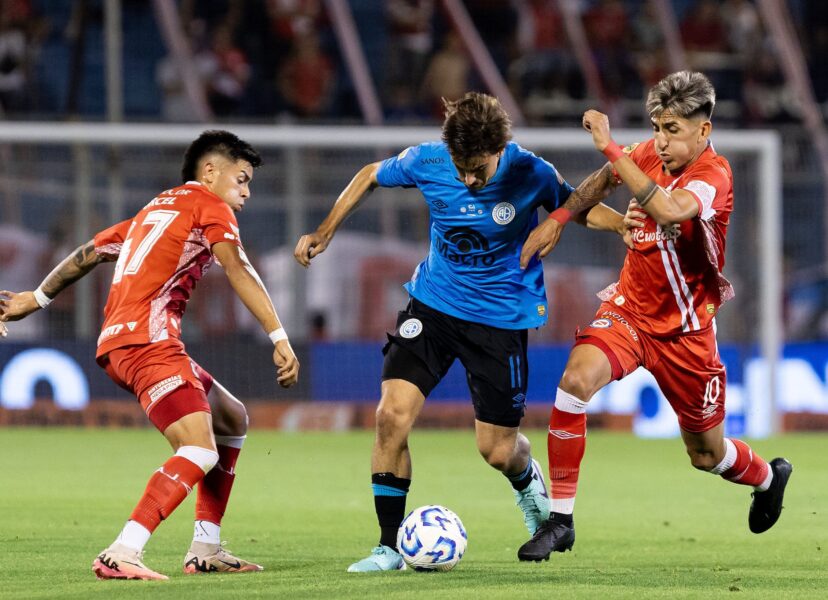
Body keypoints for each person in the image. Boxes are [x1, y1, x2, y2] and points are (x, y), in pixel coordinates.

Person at [294, 91, 607, 572]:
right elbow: (369, 175)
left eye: (476, 168)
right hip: (434, 305)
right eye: (459, 167)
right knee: (390, 416)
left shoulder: (531, 172)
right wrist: (326, 229)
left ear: (500, 148)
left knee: (497, 450)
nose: (466, 178)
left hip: (500, 320)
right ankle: (387, 547)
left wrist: (627, 225)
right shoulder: (427, 159)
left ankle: (528, 486)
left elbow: (577, 208)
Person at [516, 71, 793, 562]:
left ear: (703, 131)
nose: (661, 141)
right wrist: (558, 221)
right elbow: (589, 193)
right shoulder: (644, 154)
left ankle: (769, 477)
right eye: (657, 128)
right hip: (628, 313)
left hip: (686, 332)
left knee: (706, 455)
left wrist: (611, 147)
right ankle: (560, 520)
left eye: (673, 130)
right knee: (574, 383)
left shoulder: (715, 177)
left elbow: (667, 209)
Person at [0, 130, 300, 580]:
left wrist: (35, 299)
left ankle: (206, 548)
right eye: (241, 179)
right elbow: (238, 267)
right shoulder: (208, 206)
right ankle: (122, 550)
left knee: (231, 418)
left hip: (123, 341)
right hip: (148, 343)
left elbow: (87, 253)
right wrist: (279, 336)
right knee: (198, 449)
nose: (246, 192)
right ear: (210, 172)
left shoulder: (152, 212)